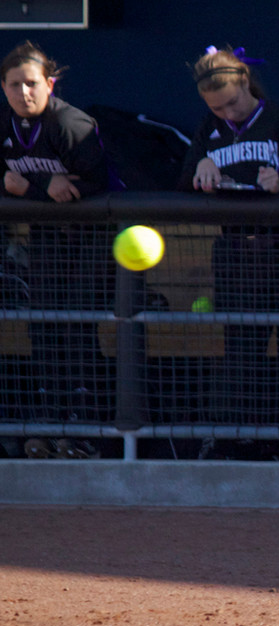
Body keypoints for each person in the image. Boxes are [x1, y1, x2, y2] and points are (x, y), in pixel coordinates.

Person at [178, 45, 279, 432]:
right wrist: (201, 166)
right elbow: (181, 181)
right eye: (217, 109)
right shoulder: (209, 131)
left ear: (245, 82)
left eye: (231, 103)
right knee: (242, 350)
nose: (228, 114)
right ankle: (242, 438)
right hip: (237, 254)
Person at [0, 41, 118, 457]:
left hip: (90, 235)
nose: (23, 93)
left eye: (31, 84)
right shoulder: (5, 127)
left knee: (78, 326)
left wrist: (30, 189)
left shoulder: (71, 124)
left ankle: (85, 431)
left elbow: (98, 185)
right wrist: (34, 189)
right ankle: (49, 423)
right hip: (48, 235)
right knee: (44, 325)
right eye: (14, 85)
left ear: (49, 84)